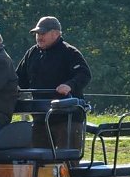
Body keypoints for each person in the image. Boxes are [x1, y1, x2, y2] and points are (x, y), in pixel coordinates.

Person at [16, 16, 91, 147]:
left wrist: (69, 85)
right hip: (40, 118)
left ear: (55, 33)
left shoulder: (70, 52)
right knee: (39, 162)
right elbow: (19, 78)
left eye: (42, 33)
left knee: (66, 162)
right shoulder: (32, 53)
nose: (39, 37)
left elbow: (84, 74)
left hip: (68, 119)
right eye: (37, 34)